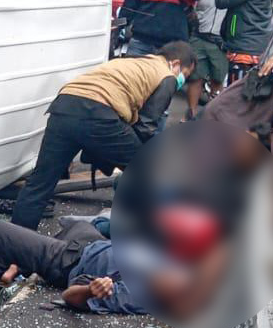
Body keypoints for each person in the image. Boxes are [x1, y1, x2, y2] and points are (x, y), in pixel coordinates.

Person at [10, 41, 197, 230]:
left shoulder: (131, 62)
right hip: (98, 113)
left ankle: (14, 243)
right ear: (175, 63)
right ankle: (165, 232)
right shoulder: (167, 76)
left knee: (40, 183)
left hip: (64, 105)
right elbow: (146, 127)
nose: (182, 80)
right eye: (185, 74)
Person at [0, 220, 146, 314]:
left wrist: (90, 290)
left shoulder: (143, 294)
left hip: (71, 261)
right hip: (93, 243)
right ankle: (18, 267)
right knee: (82, 225)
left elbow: (71, 296)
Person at [185, 0, 232, 121]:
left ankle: (211, 119)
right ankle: (190, 113)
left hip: (219, 41)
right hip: (199, 36)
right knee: (195, 77)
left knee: (218, 79)